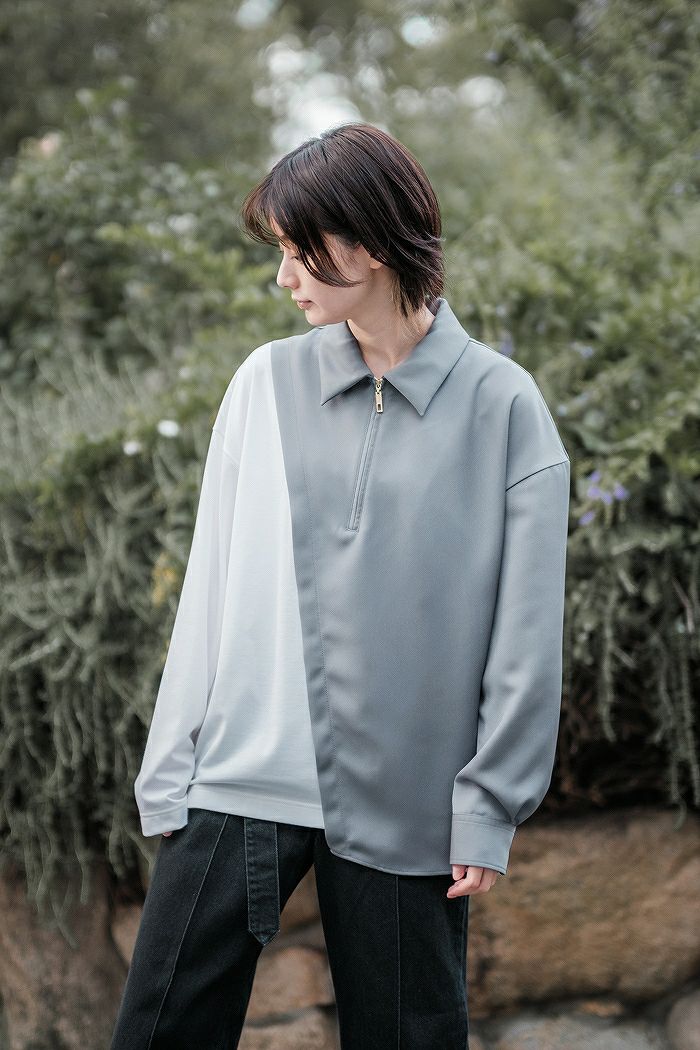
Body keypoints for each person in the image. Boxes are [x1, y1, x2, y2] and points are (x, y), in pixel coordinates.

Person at [110, 121, 570, 1050]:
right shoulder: (264, 382)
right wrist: (172, 766)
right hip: (238, 780)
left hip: (408, 797)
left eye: (299, 251)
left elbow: (525, 635)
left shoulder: (503, 406)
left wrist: (488, 804)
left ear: (367, 243)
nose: (284, 278)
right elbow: (212, 581)